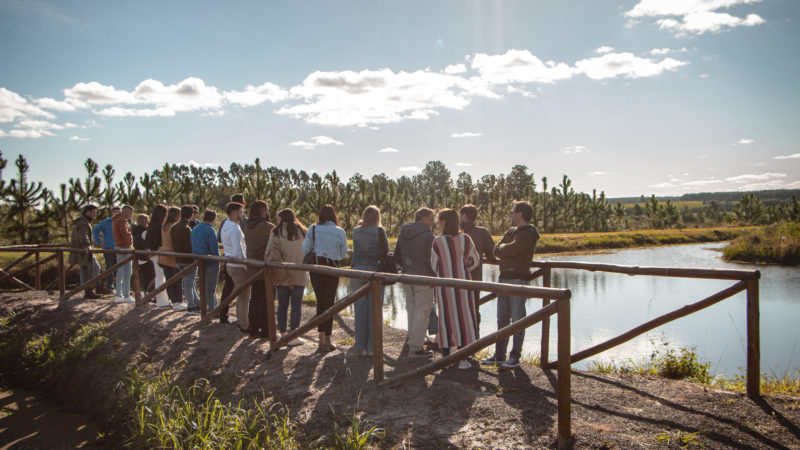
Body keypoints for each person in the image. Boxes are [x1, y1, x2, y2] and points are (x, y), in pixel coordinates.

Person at [481, 201, 540, 369]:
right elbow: (496, 250)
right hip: (504, 278)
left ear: (520, 214)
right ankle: (499, 355)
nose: (510, 214)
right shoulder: (511, 231)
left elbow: (513, 249)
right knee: (502, 318)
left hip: (519, 280)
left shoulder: (529, 233)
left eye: (512, 211)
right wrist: (507, 250)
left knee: (518, 319)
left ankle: (515, 356)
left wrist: (506, 250)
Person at [431, 208, 481, 370]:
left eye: (439, 221)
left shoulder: (438, 242)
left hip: (445, 285)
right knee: (464, 316)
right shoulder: (466, 239)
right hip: (464, 284)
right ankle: (464, 355)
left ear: (444, 222)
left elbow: (434, 265)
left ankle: (446, 355)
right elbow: (474, 260)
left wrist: (446, 269)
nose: (438, 224)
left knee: (446, 317)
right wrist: (462, 268)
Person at [302, 204, 348, 352]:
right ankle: (328, 339)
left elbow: (305, 249)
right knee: (329, 302)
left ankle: (320, 339)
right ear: (334, 215)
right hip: (332, 268)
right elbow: (343, 253)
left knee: (320, 301)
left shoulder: (313, 229)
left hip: (316, 268)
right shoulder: (339, 231)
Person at [393, 207, 436, 358]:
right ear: (423, 219)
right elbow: (431, 261)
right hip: (423, 278)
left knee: (412, 310)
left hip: (406, 277)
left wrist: (406, 266)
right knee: (422, 312)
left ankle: (413, 342)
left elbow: (397, 255)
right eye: (431, 219)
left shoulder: (403, 233)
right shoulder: (428, 236)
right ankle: (416, 348)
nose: (433, 222)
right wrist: (434, 276)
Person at [265, 208, 309, 346]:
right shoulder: (303, 231)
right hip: (300, 272)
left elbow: (269, 252)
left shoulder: (276, 232)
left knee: (282, 305)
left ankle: (283, 334)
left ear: (281, 219)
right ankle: (294, 335)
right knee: (296, 305)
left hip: (281, 274)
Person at [350, 205, 389, 357]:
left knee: (359, 311)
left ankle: (360, 346)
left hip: (357, 271)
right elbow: (385, 250)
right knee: (375, 311)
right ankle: (372, 348)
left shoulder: (355, 231)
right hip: (374, 271)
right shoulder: (379, 231)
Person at [244, 200, 274, 338]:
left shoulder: (248, 226)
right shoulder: (268, 227)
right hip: (265, 268)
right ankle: (267, 329)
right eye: (266, 209)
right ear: (262, 211)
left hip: (252, 267)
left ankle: (253, 327)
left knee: (255, 298)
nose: (268, 211)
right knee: (267, 299)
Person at [217, 193, 248, 324]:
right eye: (241, 212)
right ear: (234, 213)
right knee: (244, 295)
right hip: (237, 265)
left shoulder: (225, 224)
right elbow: (238, 251)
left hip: (229, 262)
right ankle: (243, 323)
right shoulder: (235, 229)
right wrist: (246, 263)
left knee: (229, 290)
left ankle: (224, 315)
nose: (243, 214)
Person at [69, 204, 103, 299]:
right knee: (94, 268)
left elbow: (85, 235)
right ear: (87, 212)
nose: (94, 215)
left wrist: (95, 244)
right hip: (83, 250)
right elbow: (83, 235)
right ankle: (91, 289)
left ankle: (89, 290)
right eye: (93, 212)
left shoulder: (83, 221)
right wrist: (87, 245)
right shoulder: (83, 222)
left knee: (86, 269)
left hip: (82, 250)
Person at [172, 205, 200, 314]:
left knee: (189, 283)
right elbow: (189, 245)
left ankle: (197, 303)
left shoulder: (174, 227)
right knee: (189, 284)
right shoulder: (187, 229)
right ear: (191, 215)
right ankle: (191, 306)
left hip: (178, 259)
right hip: (188, 259)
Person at [158, 207, 187, 311]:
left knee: (169, 280)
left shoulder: (164, 226)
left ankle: (174, 302)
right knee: (177, 280)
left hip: (164, 255)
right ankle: (179, 301)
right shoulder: (173, 226)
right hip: (172, 255)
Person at [191, 209, 220, 312]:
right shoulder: (210, 230)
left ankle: (208, 307)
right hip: (210, 261)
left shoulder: (194, 229)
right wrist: (218, 259)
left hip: (199, 261)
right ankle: (212, 309)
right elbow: (214, 248)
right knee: (211, 287)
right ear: (214, 218)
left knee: (203, 286)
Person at [146, 205, 170, 307]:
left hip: (153, 252)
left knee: (159, 277)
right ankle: (162, 302)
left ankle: (162, 300)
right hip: (157, 253)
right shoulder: (158, 225)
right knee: (160, 277)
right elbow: (158, 241)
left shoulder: (151, 224)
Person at [93, 206, 120, 292]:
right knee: (109, 268)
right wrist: (99, 241)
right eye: (115, 212)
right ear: (112, 213)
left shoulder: (123, 222)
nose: (117, 214)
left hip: (120, 249)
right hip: (108, 248)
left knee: (120, 268)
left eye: (119, 212)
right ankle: (110, 287)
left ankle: (120, 288)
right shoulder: (106, 222)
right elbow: (95, 230)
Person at [112, 205, 134, 303]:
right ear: (125, 211)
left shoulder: (116, 220)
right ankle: (126, 295)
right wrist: (131, 232)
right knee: (127, 272)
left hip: (118, 246)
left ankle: (119, 294)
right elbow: (124, 234)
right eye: (130, 212)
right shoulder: (122, 221)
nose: (131, 215)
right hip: (124, 247)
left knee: (120, 271)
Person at [132, 214, 155, 298]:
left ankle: (145, 292)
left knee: (146, 276)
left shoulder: (136, 231)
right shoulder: (144, 231)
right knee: (152, 275)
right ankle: (148, 293)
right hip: (145, 256)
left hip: (139, 256)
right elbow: (147, 244)